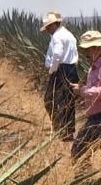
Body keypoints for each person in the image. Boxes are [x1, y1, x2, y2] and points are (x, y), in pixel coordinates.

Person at [41, 11, 79, 140]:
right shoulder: (69, 35)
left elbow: (57, 55)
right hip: (71, 70)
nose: (47, 30)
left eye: (48, 27)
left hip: (61, 70)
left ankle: (60, 129)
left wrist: (52, 70)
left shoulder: (57, 36)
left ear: (53, 25)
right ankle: (67, 131)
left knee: (50, 100)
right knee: (68, 101)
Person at [70, 30, 101, 161]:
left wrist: (82, 91)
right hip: (95, 115)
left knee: (78, 151)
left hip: (98, 117)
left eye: (88, 49)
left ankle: (83, 179)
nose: (85, 53)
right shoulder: (94, 65)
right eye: (84, 49)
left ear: (98, 48)